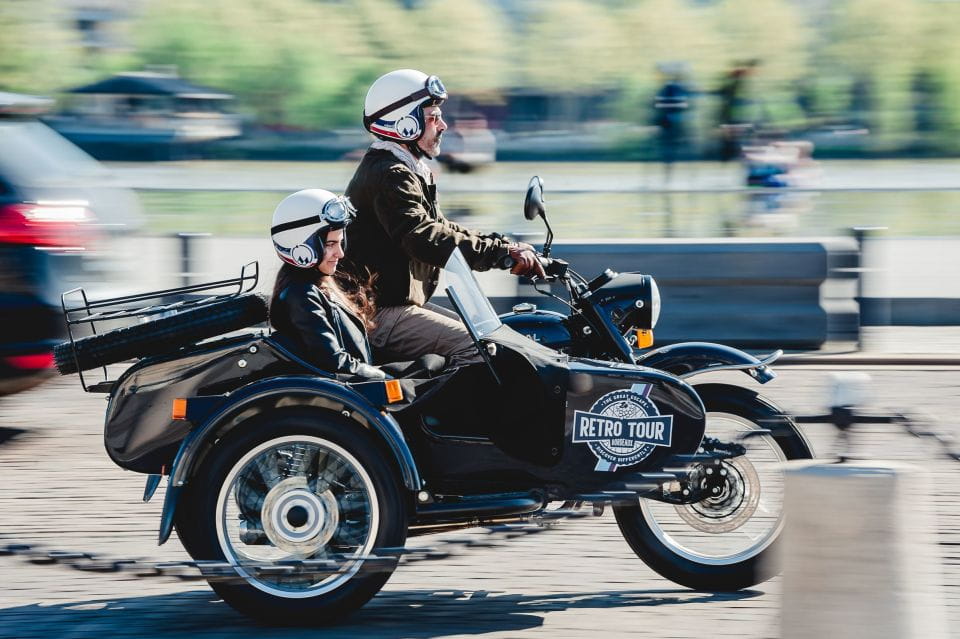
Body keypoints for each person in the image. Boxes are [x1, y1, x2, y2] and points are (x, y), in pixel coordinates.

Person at [341, 69, 544, 367]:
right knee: (483, 351)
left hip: (391, 307)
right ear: (405, 123)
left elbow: (441, 227)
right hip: (378, 314)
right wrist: (498, 253)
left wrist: (503, 245)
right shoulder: (390, 174)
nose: (443, 125)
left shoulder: (402, 168)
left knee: (499, 339)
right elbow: (424, 236)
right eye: (433, 117)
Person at [268, 188, 386, 380]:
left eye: (340, 242)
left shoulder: (320, 284)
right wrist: (385, 377)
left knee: (433, 365)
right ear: (302, 248)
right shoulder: (301, 295)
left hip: (359, 378)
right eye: (330, 244)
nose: (340, 253)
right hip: (354, 386)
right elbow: (333, 361)